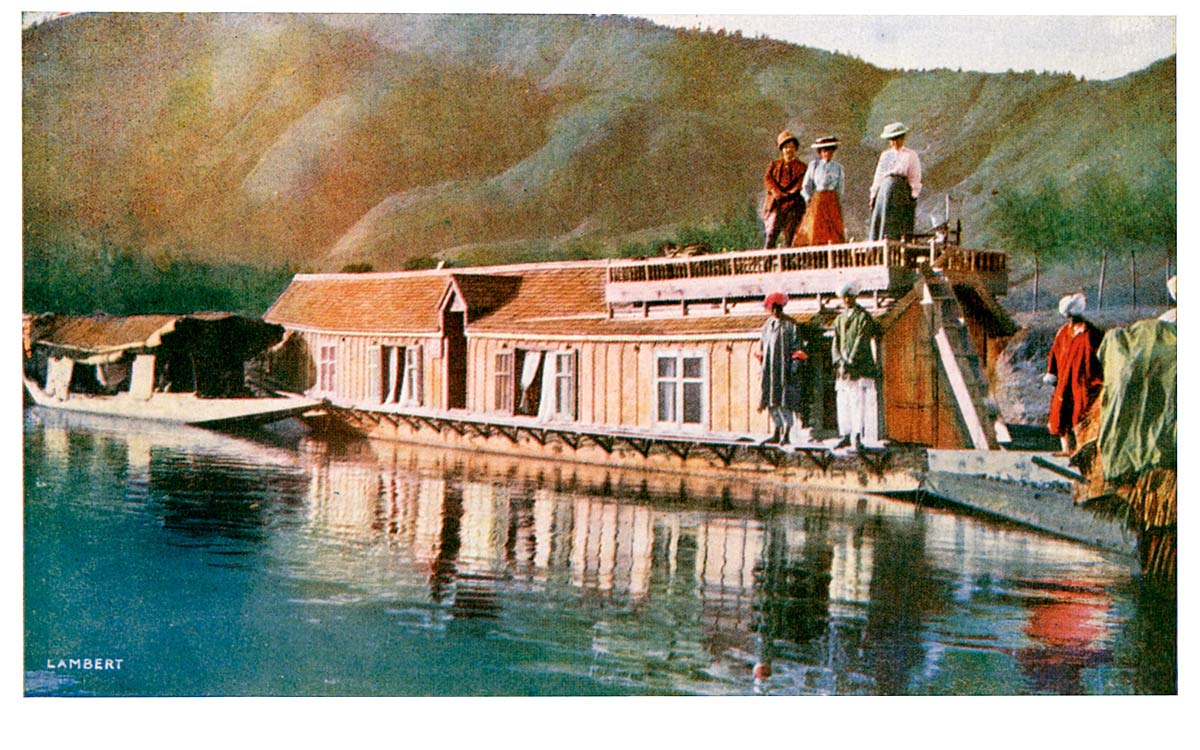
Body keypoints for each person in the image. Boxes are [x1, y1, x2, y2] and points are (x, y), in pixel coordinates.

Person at [1044, 292, 1104, 455]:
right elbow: (1054, 353)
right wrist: (1052, 373)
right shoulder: (1063, 332)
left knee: (1080, 411)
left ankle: (1080, 447)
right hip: (1064, 380)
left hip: (1082, 380)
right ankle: (1066, 448)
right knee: (1062, 410)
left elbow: (1099, 355)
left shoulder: (1090, 332)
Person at [831, 282, 882, 449]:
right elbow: (836, 342)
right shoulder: (839, 319)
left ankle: (857, 436)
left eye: (850, 296)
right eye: (844, 297)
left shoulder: (863, 317)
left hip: (858, 369)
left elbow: (860, 341)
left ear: (855, 297)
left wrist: (850, 361)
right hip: (843, 370)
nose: (847, 300)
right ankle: (845, 434)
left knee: (857, 403)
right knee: (843, 403)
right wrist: (839, 360)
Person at [757, 292, 810, 445]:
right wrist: (763, 367)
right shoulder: (767, 326)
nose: (775, 311)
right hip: (770, 369)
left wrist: (793, 369)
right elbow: (762, 347)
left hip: (784, 370)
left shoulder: (790, 325)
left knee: (785, 401)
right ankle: (776, 430)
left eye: (778, 307)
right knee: (771, 400)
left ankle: (786, 433)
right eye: (773, 308)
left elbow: (797, 349)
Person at [868, 122, 922, 241]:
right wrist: (873, 195)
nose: (895, 142)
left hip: (900, 191)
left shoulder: (910, 155)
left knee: (897, 221)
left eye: (898, 139)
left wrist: (913, 195)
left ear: (903, 138)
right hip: (884, 191)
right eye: (892, 140)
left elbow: (915, 176)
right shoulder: (885, 155)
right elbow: (879, 175)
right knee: (883, 219)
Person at [792, 136, 846, 246]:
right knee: (816, 227)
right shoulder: (814, 165)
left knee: (833, 228)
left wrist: (838, 203)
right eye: (825, 150)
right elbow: (806, 186)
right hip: (818, 200)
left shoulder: (838, 168)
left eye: (830, 150)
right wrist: (809, 199)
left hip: (832, 201)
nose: (827, 153)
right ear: (820, 152)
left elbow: (840, 187)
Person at [762, 130, 807, 249]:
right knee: (772, 233)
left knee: (790, 233)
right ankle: (767, 261)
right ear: (781, 149)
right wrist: (776, 192)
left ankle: (788, 261)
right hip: (776, 204)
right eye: (786, 147)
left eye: (791, 147)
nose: (789, 150)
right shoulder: (774, 165)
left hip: (793, 204)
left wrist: (789, 193)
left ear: (795, 149)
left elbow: (800, 184)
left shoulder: (801, 167)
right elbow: (768, 180)